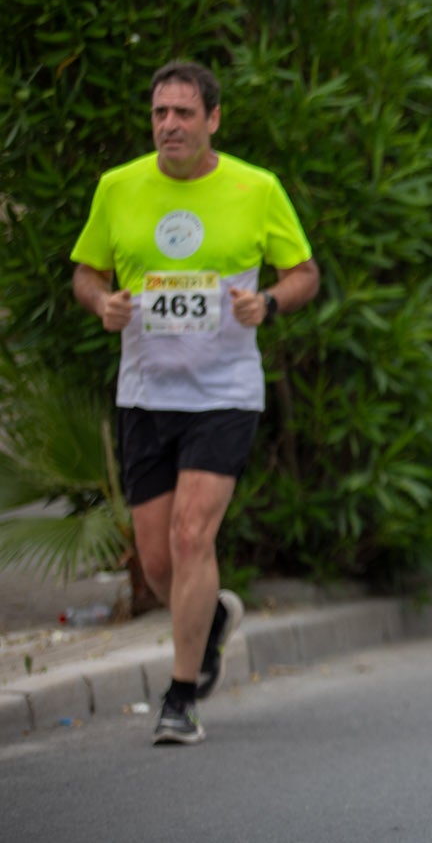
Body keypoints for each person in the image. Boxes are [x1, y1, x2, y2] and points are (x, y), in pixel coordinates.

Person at [70, 61, 321, 746]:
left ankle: (181, 695)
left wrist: (267, 301)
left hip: (223, 391)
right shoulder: (118, 187)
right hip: (146, 391)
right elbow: (85, 272)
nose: (170, 125)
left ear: (213, 119)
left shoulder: (254, 187)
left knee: (191, 536)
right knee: (157, 561)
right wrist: (104, 302)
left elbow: (304, 272)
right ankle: (209, 618)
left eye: (184, 113)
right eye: (160, 113)